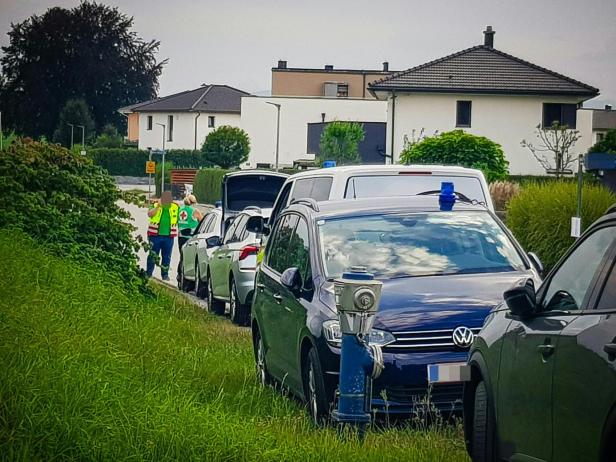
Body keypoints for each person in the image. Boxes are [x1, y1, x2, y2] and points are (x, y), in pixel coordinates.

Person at [146, 190, 179, 281]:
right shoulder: (155, 204)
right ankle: (148, 273)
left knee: (167, 256)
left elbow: (178, 218)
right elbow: (149, 214)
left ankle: (165, 275)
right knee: (153, 255)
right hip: (155, 235)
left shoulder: (175, 207)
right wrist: (158, 207)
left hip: (169, 236)